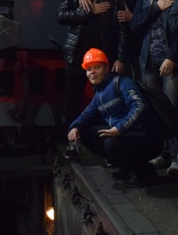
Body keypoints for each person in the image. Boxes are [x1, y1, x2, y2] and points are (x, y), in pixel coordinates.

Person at [66, 49, 163, 188]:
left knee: (111, 144)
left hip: (146, 136)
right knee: (86, 132)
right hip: (126, 134)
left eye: (97, 67)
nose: (92, 72)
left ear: (106, 68)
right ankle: (127, 167)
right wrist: (75, 127)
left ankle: (145, 174)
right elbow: (87, 114)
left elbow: (140, 106)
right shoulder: (99, 92)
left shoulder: (121, 82)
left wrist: (120, 128)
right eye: (88, 69)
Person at [57, 0, 130, 121]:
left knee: (108, 100)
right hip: (77, 57)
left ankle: (102, 139)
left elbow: (122, 30)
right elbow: (62, 16)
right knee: (71, 102)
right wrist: (90, 11)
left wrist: (120, 58)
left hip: (105, 58)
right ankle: (71, 141)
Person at [130, 0, 178, 166]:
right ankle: (160, 152)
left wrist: (172, 56)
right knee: (154, 108)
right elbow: (135, 24)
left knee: (172, 108)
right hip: (149, 59)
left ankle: (175, 155)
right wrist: (157, 8)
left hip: (171, 60)